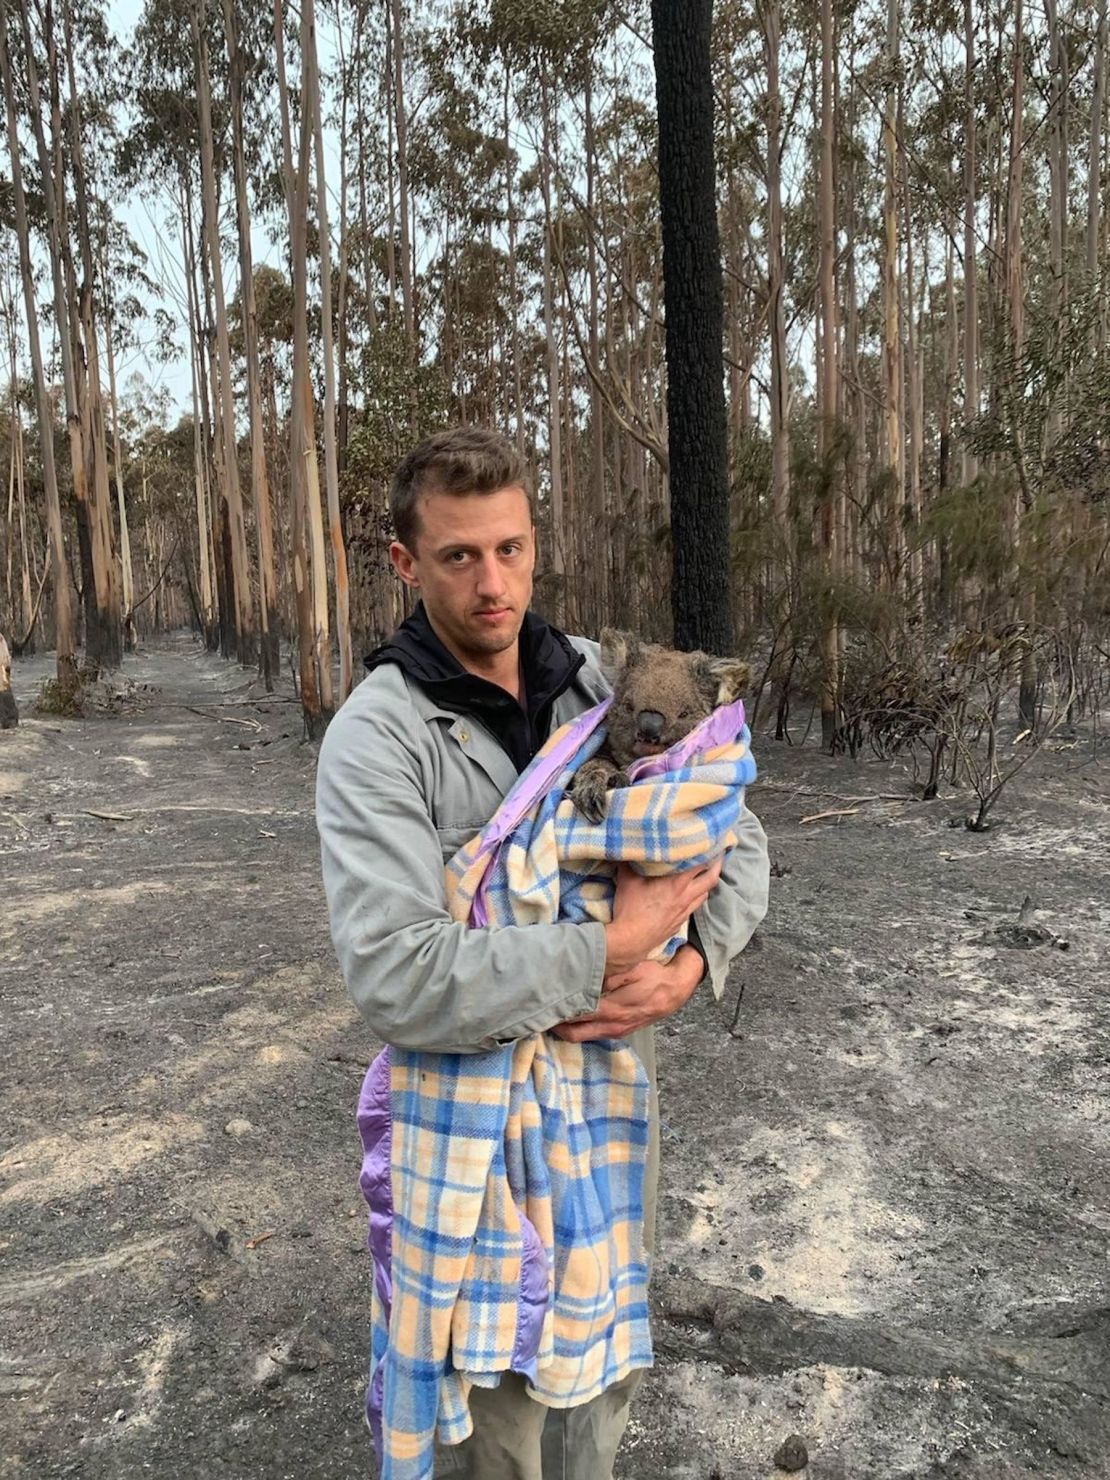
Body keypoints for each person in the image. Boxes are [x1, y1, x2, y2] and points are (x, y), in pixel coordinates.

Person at [316, 426, 769, 1479]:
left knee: (600, 1384)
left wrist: (691, 955)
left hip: (610, 1101)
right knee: (497, 1409)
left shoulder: (601, 685)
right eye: (460, 556)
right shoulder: (381, 736)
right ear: (404, 561)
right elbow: (398, 971)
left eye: (511, 549)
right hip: (473, 1128)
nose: (493, 584)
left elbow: (739, 827)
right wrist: (607, 947)